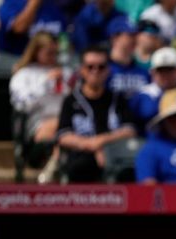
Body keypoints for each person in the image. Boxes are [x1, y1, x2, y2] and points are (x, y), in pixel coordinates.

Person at [57, 46, 137, 183]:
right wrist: (91, 146)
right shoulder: (71, 100)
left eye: (101, 67)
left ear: (108, 70)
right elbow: (64, 136)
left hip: (116, 155)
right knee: (80, 167)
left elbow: (129, 131)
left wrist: (100, 143)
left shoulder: (118, 99)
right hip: (81, 156)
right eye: (90, 67)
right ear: (82, 70)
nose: (95, 71)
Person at [9, 32, 73, 146]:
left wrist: (72, 87)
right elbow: (23, 105)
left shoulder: (66, 73)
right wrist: (45, 83)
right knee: (62, 127)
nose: (53, 57)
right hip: (38, 124)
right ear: (35, 51)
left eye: (56, 53)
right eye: (49, 53)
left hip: (68, 121)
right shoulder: (23, 75)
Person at [130, 47, 176, 134]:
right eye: (161, 70)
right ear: (152, 73)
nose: (165, 75)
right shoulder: (144, 96)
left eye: (169, 70)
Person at [0, 0, 67, 55]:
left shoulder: (54, 5)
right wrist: (35, 3)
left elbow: (63, 39)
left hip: (50, 65)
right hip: (17, 64)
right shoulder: (13, 2)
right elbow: (19, 28)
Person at [106, 17, 150, 97]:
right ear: (115, 38)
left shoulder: (144, 72)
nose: (135, 39)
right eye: (130, 35)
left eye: (136, 35)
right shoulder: (101, 70)